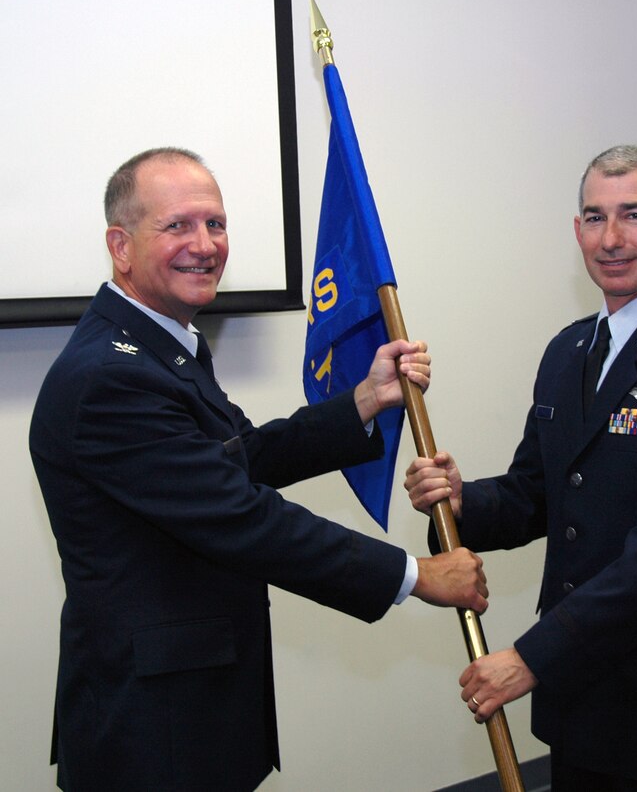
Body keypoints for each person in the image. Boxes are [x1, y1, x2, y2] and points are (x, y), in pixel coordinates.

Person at [29, 147, 488, 792]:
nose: (205, 245)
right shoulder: (112, 377)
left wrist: (364, 399)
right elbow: (241, 516)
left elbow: (242, 458)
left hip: (191, 707)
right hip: (154, 732)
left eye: (215, 224)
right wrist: (416, 574)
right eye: (178, 226)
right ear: (120, 245)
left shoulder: (162, 346)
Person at [405, 145, 637, 791]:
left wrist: (531, 656)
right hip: (584, 698)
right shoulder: (569, 350)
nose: (611, 238)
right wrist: (463, 502)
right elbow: (538, 494)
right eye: (594, 217)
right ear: (577, 231)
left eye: (633, 215)